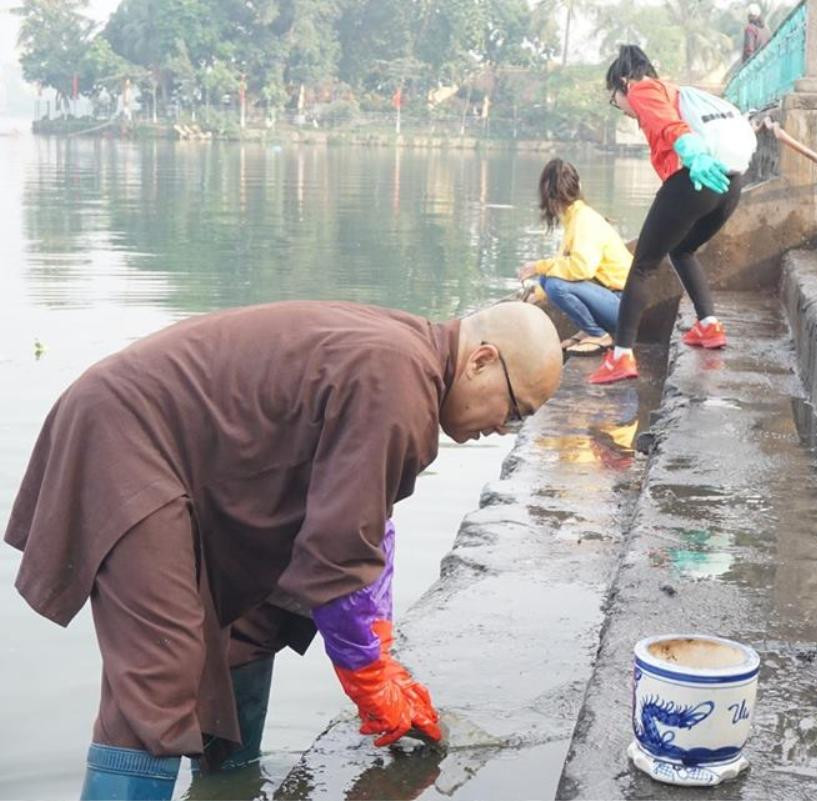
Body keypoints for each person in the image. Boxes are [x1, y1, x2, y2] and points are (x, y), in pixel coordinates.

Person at [3, 300, 562, 800]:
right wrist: (367, 678)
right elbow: (339, 551)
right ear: (482, 360)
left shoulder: (407, 369)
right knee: (159, 677)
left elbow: (367, 531)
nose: (502, 428)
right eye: (514, 411)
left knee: (255, 620)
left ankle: (227, 787)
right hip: (126, 437)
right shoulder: (400, 380)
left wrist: (380, 652)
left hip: (187, 460)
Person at [590, 44, 744, 385]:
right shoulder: (678, 92)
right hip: (730, 183)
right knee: (681, 248)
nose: (621, 108)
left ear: (623, 82)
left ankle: (621, 357)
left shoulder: (642, 89)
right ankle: (708, 325)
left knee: (643, 265)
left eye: (614, 99)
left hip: (697, 176)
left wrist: (693, 153)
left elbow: (668, 124)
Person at [518, 158, 632, 356]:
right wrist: (538, 292)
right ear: (578, 186)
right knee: (548, 279)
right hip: (613, 298)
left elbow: (582, 269)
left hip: (625, 305)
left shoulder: (584, 220)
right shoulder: (574, 218)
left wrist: (538, 267)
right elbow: (561, 265)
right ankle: (587, 331)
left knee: (554, 284)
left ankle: (598, 334)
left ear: (548, 196)